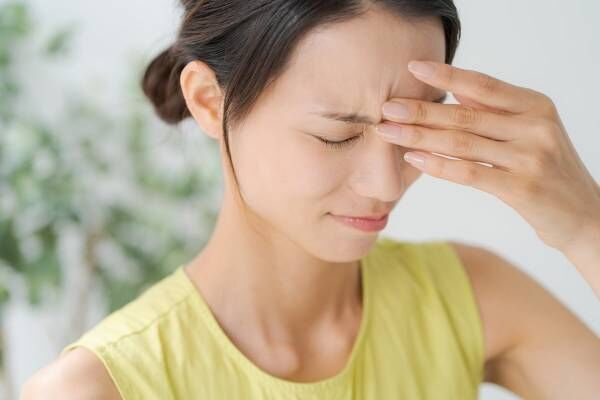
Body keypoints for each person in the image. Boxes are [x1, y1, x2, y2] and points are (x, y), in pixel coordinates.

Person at [21, 0, 600, 399]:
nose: (388, 184)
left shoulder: (468, 298)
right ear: (207, 101)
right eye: (338, 135)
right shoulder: (98, 388)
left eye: (410, 132)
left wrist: (584, 224)